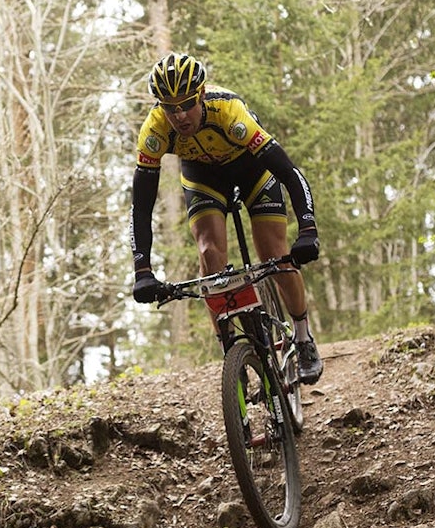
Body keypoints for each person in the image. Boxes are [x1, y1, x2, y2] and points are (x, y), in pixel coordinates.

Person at [128, 52, 324, 384]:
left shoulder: (229, 111)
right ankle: (230, 346)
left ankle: (303, 337)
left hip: (251, 169)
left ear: (201, 95)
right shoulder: (155, 129)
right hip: (204, 177)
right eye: (169, 106)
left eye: (187, 103)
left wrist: (307, 229)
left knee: (274, 253)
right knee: (209, 253)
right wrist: (142, 269)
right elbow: (141, 206)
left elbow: (290, 173)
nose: (179, 115)